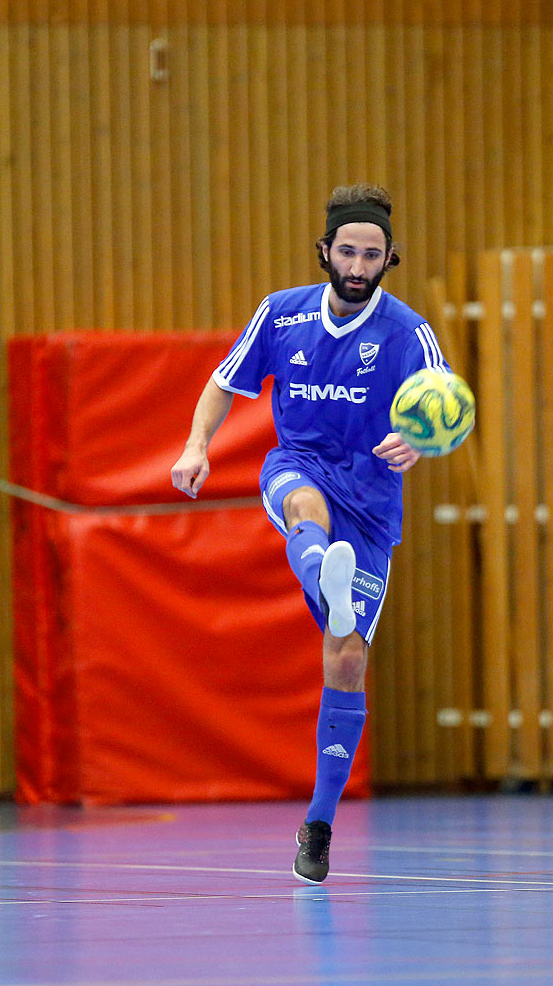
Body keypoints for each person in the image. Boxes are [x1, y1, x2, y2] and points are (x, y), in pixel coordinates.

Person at [170, 183, 452, 883]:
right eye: (348, 251)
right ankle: (322, 562)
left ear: (391, 260)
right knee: (303, 510)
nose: (358, 266)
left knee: (347, 657)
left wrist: (418, 440)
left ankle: (318, 824)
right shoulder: (282, 314)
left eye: (373, 255)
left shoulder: (408, 331)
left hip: (372, 501)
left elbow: (443, 407)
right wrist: (196, 446)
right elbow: (222, 383)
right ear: (325, 251)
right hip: (299, 466)